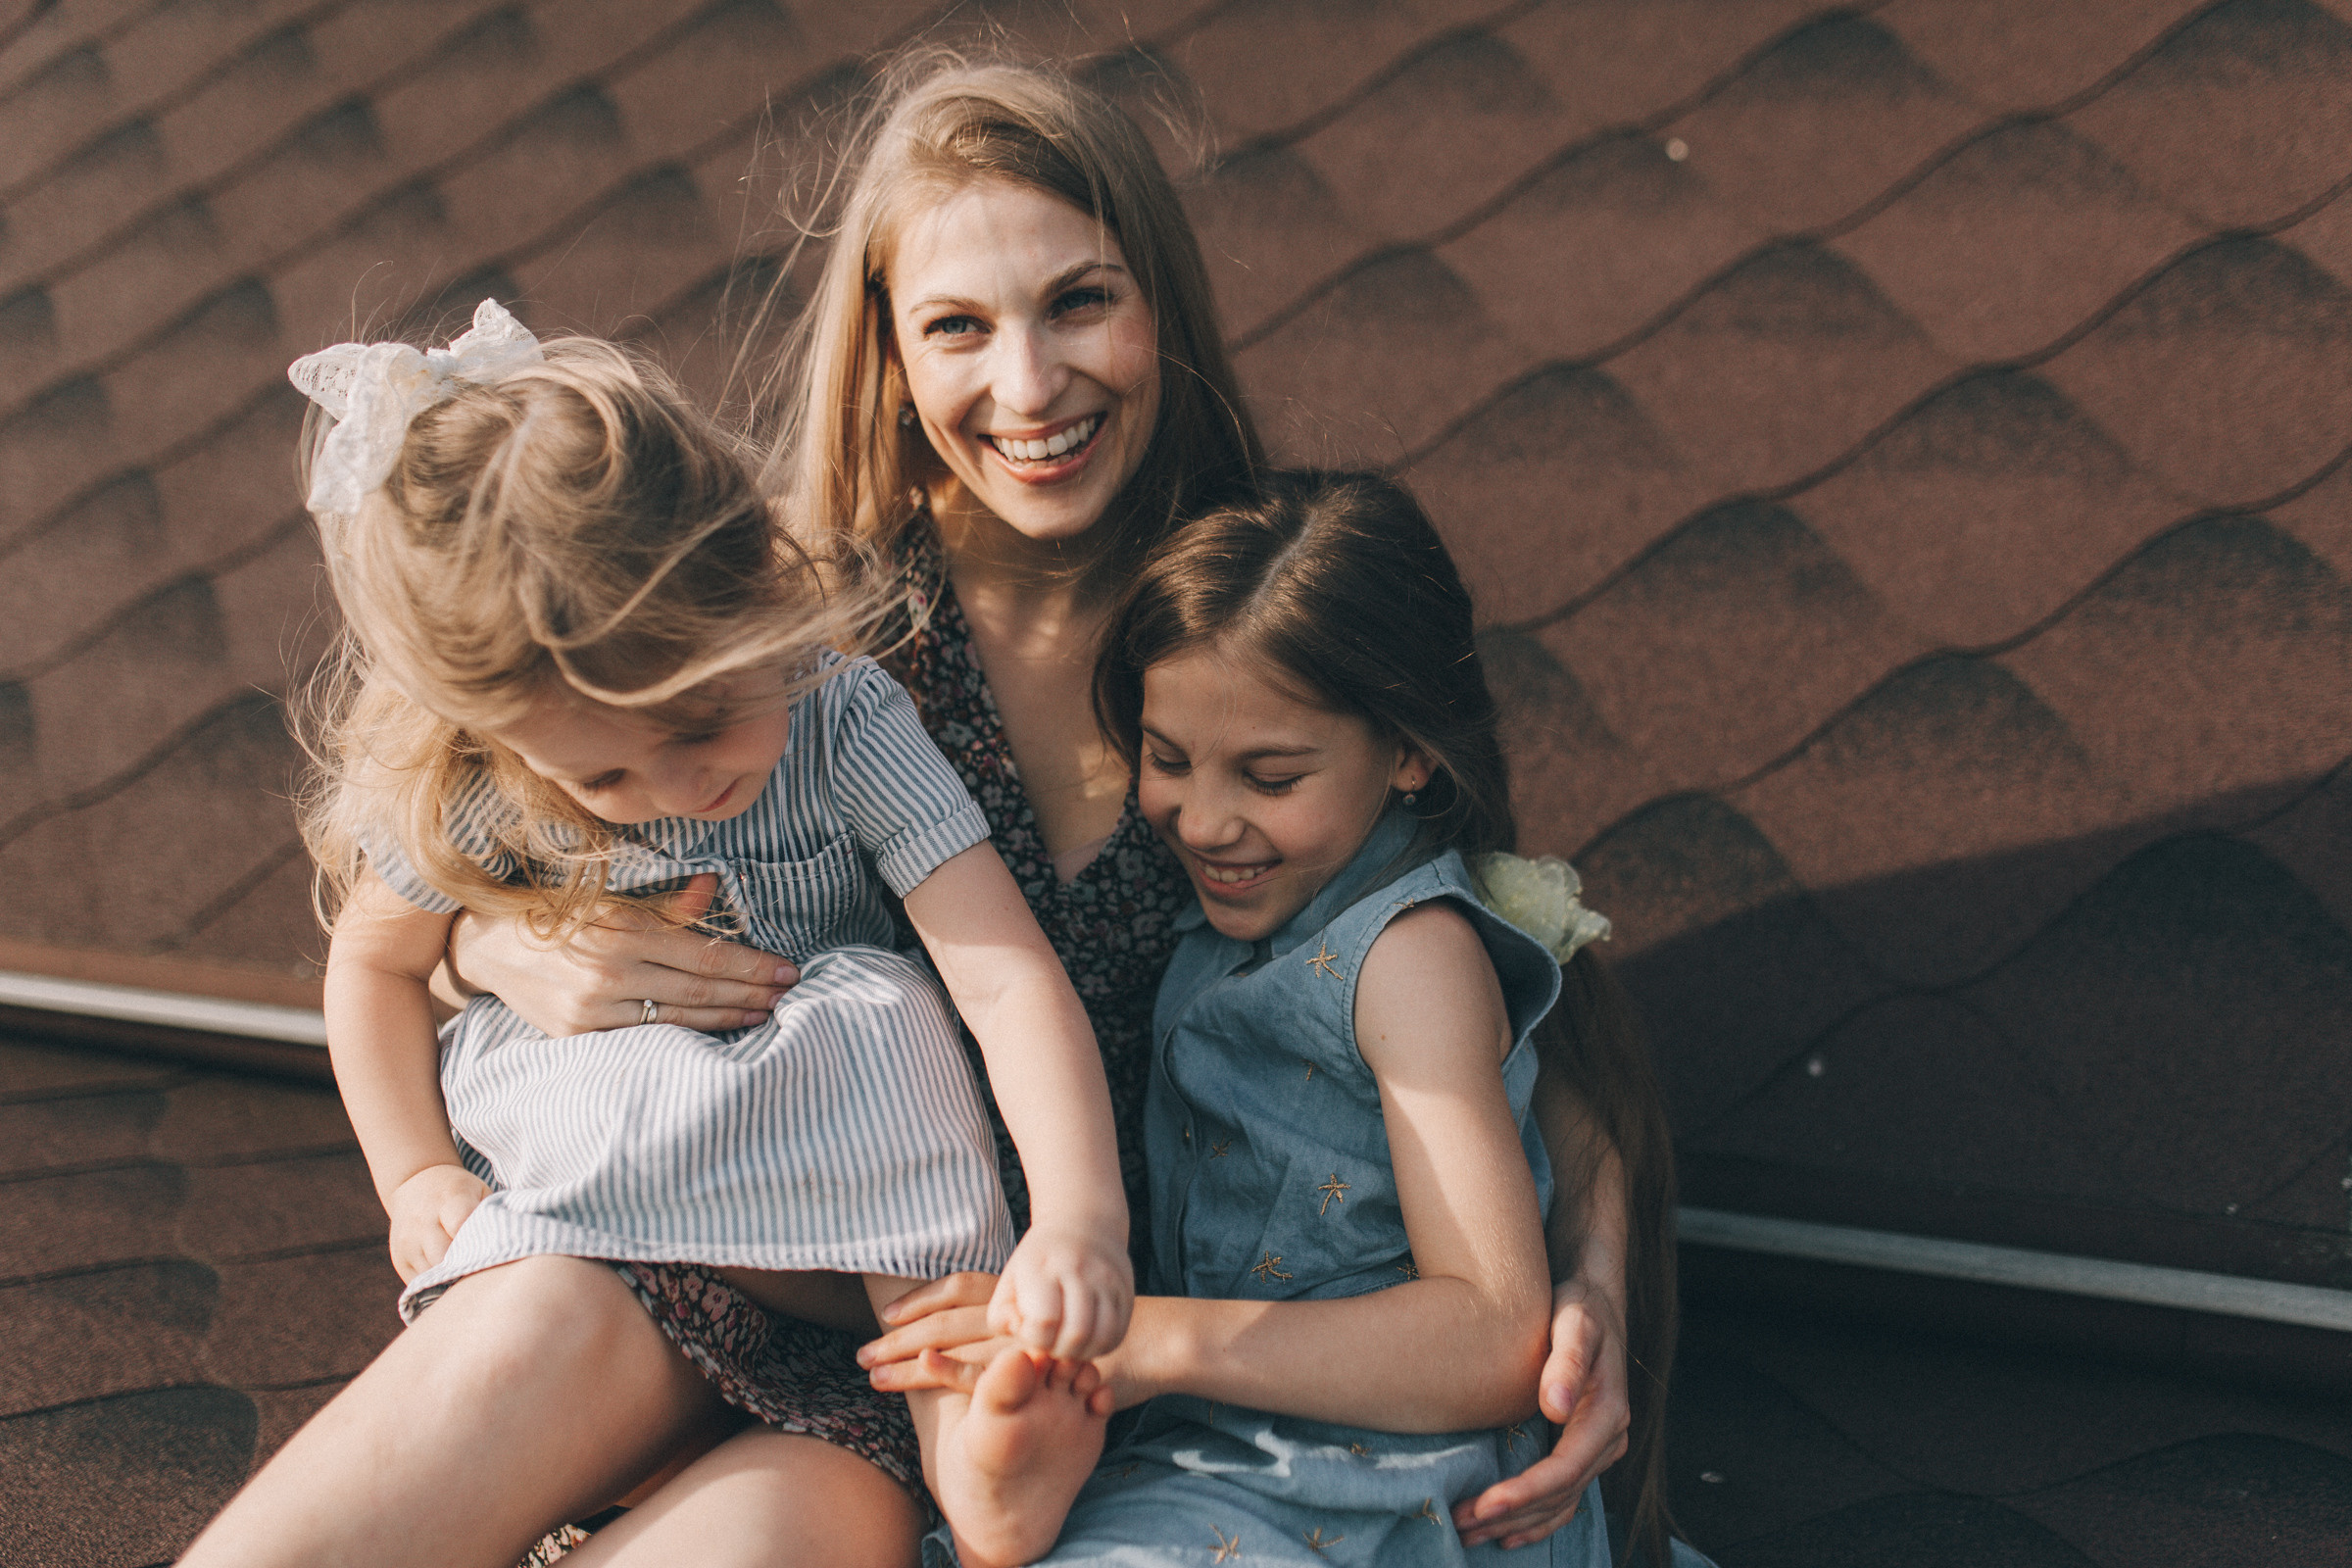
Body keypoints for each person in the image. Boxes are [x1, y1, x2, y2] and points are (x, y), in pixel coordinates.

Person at [440, 54, 1670, 1561]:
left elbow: (1510, 978)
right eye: (958, 326)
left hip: (1097, 1396)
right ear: (889, 353)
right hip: (786, 1292)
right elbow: (492, 823)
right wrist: (501, 949)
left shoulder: (1251, 620)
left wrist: (1586, 1290)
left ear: (1160, 304)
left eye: (1080, 302)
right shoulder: (787, 639)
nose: (1028, 388)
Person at [179, 306, 1131, 1565]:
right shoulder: (484, 776)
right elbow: (374, 961)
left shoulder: (845, 721)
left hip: (848, 1244)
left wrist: (1079, 1215)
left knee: (882, 1028)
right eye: (605, 778)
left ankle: (979, 1465)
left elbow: (1002, 980)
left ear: (756, 581)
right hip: (615, 1232)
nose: (673, 787)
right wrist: (414, 1174)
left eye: (700, 722)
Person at [862, 469, 1706, 1566]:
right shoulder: (1263, 908)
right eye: (1166, 760)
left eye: (1270, 775)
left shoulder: (1407, 958)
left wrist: (1145, 1337)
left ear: (1408, 752)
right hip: (1241, 1452)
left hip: (1387, 1482)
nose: (1204, 818)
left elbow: (1497, 1332)